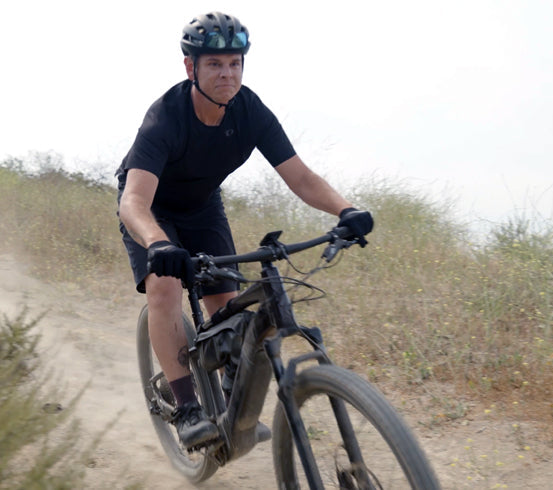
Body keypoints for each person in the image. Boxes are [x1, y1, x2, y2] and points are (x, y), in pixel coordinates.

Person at [116, 11, 374, 449]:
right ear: (190, 67)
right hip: (153, 210)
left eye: (235, 63)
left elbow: (301, 177)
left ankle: (234, 400)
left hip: (202, 208)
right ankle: (187, 407)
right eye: (215, 64)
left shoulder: (250, 111)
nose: (227, 73)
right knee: (165, 289)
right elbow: (134, 201)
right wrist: (158, 241)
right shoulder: (166, 117)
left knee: (229, 307)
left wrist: (345, 210)